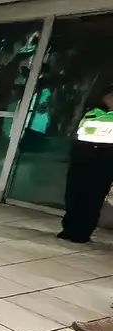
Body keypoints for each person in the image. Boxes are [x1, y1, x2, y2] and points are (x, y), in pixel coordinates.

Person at [57, 83, 113, 244]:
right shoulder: (92, 113)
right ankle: (69, 228)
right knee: (74, 194)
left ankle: (82, 232)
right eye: (109, 95)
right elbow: (80, 132)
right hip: (83, 156)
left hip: (105, 159)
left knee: (93, 197)